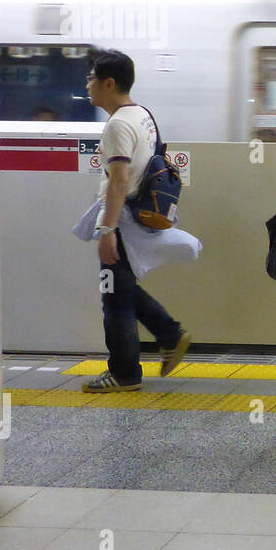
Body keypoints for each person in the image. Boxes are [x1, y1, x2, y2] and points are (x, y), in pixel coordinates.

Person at [79, 50, 192, 393]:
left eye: (92, 78)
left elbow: (119, 181)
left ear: (108, 83)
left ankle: (124, 373)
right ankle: (170, 335)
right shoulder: (143, 115)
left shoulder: (117, 124)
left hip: (123, 220)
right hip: (135, 218)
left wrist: (106, 229)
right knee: (123, 287)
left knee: (114, 298)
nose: (87, 85)